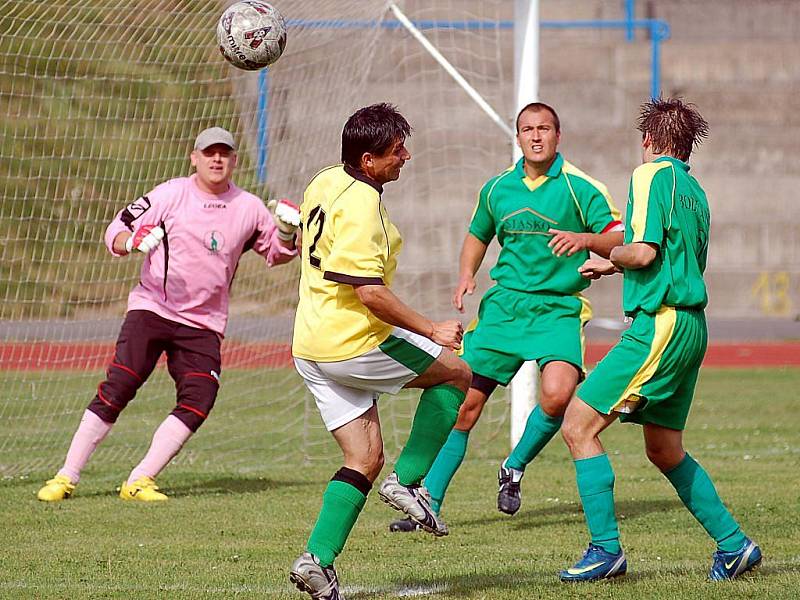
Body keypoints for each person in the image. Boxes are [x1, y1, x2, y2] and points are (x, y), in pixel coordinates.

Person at [389, 102, 624, 533]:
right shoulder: (498, 188)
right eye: (527, 129)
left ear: (558, 135)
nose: (536, 136)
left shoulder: (582, 188)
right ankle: (429, 503)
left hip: (558, 308)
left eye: (544, 129)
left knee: (557, 395)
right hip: (503, 310)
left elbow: (618, 237)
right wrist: (465, 275)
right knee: (464, 404)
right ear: (517, 137)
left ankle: (513, 467)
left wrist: (586, 240)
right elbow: (478, 234)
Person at [36, 127, 299, 503]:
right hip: (153, 309)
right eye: (209, 152)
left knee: (200, 397)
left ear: (234, 160)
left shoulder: (249, 206)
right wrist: (132, 242)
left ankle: (140, 480)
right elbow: (116, 229)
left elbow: (276, 252)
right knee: (119, 387)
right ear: (194, 157)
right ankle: (66, 476)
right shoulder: (170, 194)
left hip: (203, 323)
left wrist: (288, 232)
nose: (216, 159)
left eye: (224, 153)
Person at [559, 97, 761, 582]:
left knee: (578, 425)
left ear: (649, 140)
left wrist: (590, 242)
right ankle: (734, 545)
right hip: (692, 325)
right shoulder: (694, 189)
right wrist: (613, 263)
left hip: (661, 324)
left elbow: (645, 252)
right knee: (664, 449)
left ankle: (606, 551)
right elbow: (667, 253)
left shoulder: (649, 176)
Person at [288, 103, 472, 600]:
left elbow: (302, 229)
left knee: (364, 457)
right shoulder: (364, 207)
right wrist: (430, 328)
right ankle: (409, 483)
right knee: (457, 374)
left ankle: (317, 562)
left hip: (310, 344)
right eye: (396, 151)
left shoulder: (326, 180)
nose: (406, 156)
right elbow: (370, 293)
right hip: (352, 342)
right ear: (368, 160)